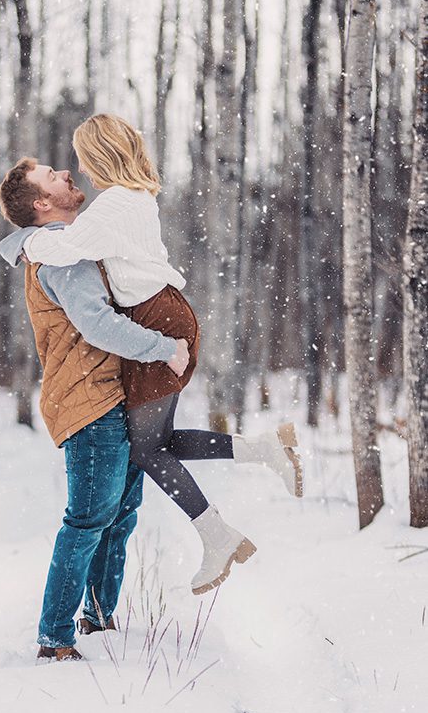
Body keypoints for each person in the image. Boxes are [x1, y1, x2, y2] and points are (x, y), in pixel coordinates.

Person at [20, 114, 304, 596]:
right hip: (160, 314)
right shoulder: (130, 198)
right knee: (157, 440)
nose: (78, 170)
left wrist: (27, 240)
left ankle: (218, 533)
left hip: (157, 321)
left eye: (83, 158)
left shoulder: (112, 207)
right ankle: (259, 455)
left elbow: (65, 250)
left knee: (148, 447)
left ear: (99, 157)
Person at [0, 158, 188, 661]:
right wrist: (164, 347)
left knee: (119, 515)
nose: (65, 173)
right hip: (89, 402)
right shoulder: (62, 258)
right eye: (51, 175)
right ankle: (55, 638)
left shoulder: (68, 247)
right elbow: (98, 326)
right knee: (88, 519)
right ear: (41, 204)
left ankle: (99, 615)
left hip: (109, 395)